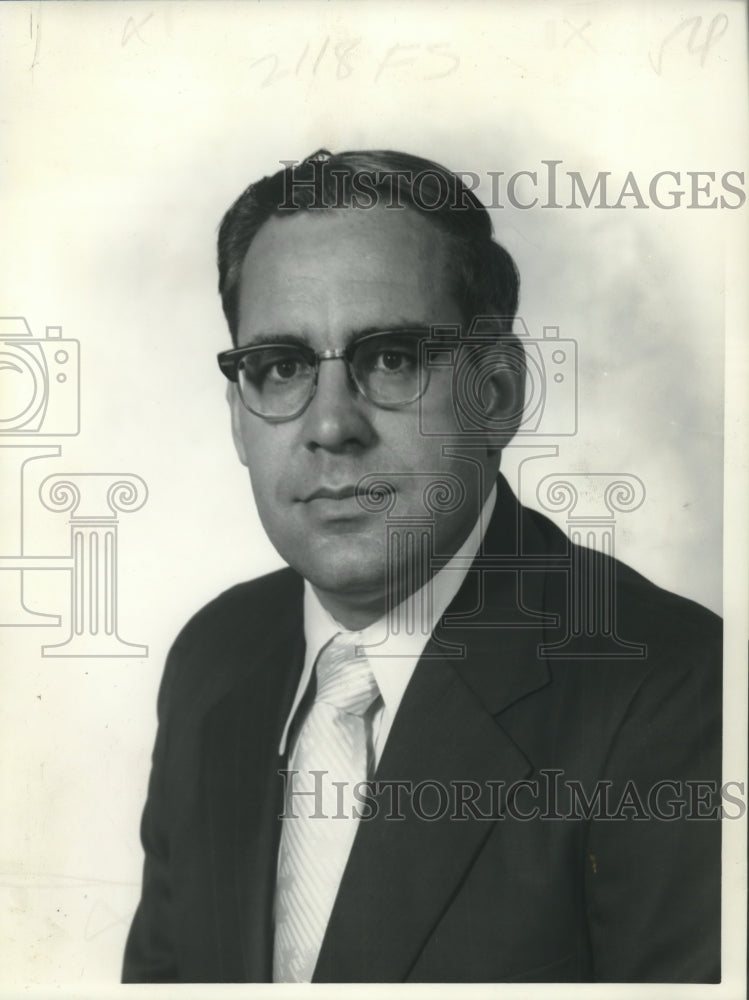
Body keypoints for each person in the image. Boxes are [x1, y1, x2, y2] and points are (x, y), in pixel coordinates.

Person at [122, 149, 721, 983]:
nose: (330, 426)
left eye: (392, 357)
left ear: (498, 393)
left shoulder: (681, 695)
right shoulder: (216, 654)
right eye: (282, 367)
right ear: (239, 414)